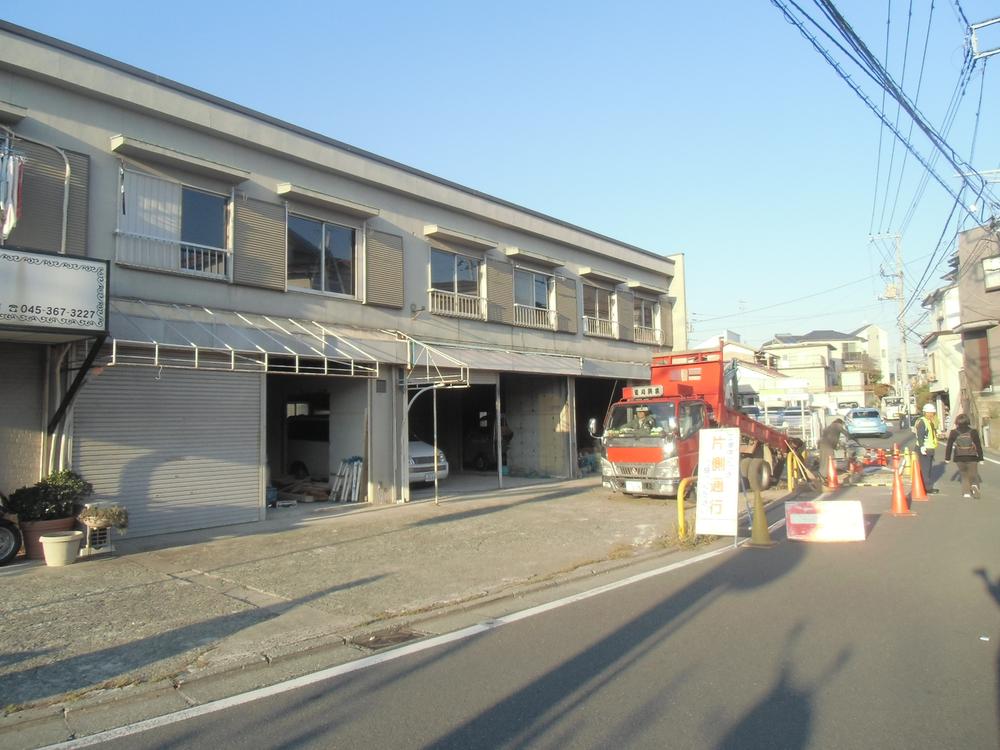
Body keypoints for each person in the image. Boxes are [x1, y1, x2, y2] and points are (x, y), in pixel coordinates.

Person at [944, 413, 983, 498]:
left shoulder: (954, 432)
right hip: (972, 456)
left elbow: (949, 445)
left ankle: (966, 493)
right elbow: (978, 445)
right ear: (968, 421)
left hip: (959, 457)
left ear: (957, 422)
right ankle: (974, 485)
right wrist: (981, 458)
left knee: (964, 474)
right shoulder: (973, 432)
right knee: (973, 474)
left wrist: (947, 458)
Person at [915, 403, 940, 494]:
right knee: (925, 469)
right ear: (926, 413)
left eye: (933, 413)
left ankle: (925, 486)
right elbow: (920, 435)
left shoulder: (929, 421)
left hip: (929, 448)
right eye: (931, 413)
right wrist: (922, 446)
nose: (933, 415)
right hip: (924, 448)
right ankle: (927, 487)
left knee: (927, 468)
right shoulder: (922, 422)